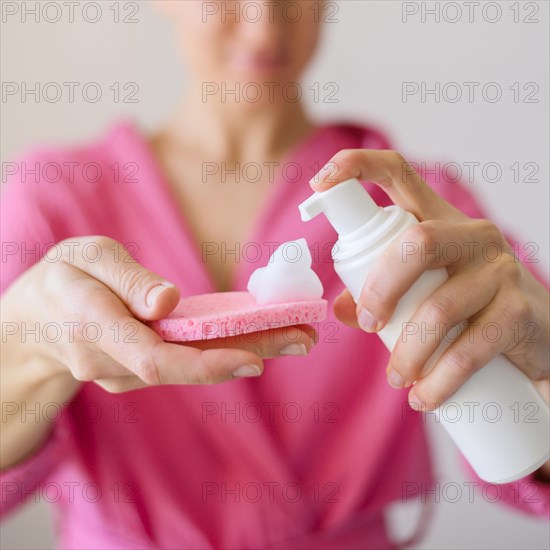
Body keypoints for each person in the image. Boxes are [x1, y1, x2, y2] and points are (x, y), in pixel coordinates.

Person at [1, 1, 548, 548]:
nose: (265, 25)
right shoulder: (53, 199)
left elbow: (532, 456)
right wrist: (27, 355)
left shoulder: (425, 213)